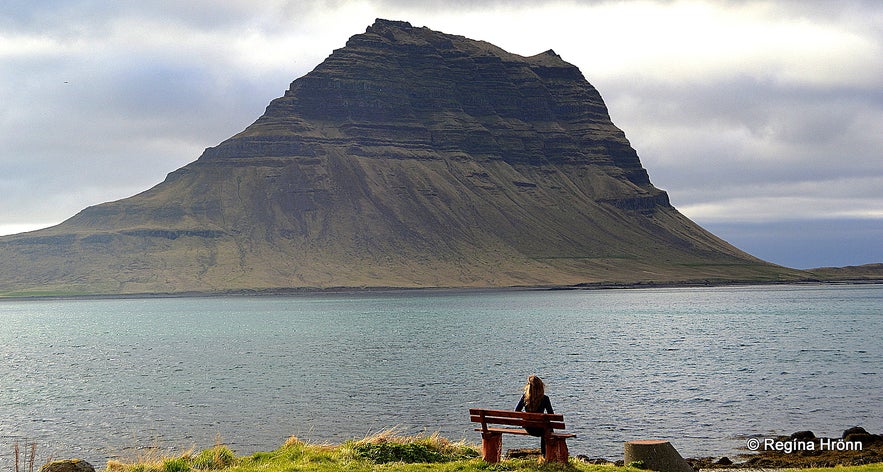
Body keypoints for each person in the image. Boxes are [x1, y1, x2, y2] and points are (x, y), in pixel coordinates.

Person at [515, 375, 554, 455]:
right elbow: (551, 415)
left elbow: (517, 411)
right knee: (548, 430)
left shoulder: (525, 398)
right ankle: (546, 454)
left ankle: (545, 455)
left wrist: (526, 418)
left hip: (529, 428)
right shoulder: (545, 399)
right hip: (540, 429)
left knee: (545, 429)